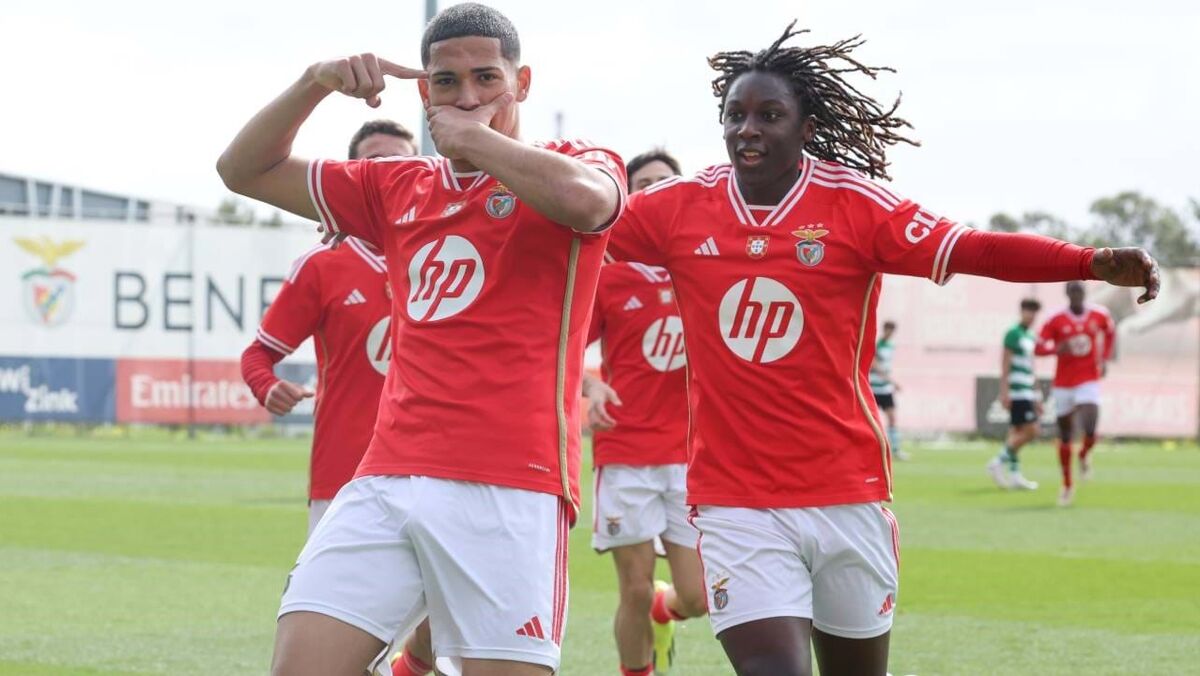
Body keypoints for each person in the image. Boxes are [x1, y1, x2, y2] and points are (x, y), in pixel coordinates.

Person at [604, 22, 1158, 676]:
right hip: (735, 501)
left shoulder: (855, 207)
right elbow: (578, 227)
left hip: (846, 492)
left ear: (807, 127)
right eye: (735, 115)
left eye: (769, 115)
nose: (747, 129)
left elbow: (975, 249)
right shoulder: (676, 207)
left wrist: (1088, 261)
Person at [216, 3, 626, 675]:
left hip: (510, 484)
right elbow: (244, 170)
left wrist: (475, 141)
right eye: (446, 82)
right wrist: (315, 82)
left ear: (522, 82)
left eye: (486, 79)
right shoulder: (396, 186)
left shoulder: (575, 161)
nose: (466, 97)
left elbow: (590, 204)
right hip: (386, 476)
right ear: (423, 91)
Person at [238, 120, 436, 676]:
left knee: (450, 619)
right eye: (374, 162)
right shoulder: (324, 265)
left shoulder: (443, 253)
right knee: (341, 633)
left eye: (400, 160)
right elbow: (258, 355)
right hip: (345, 475)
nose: (388, 170)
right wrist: (268, 387)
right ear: (354, 176)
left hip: (438, 468)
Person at [583, 149, 705, 676]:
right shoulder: (609, 273)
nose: (655, 190)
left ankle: (665, 607)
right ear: (629, 198)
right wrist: (590, 386)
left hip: (694, 456)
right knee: (631, 588)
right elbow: (562, 346)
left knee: (698, 597)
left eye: (666, 182)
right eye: (645, 184)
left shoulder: (705, 267)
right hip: (627, 448)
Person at [1035, 281, 1116, 506]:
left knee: (1090, 426)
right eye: (1073, 291)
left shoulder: (1099, 315)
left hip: (1088, 378)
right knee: (1066, 435)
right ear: (1067, 294)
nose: (1077, 295)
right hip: (1063, 383)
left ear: (1084, 293)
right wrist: (1055, 349)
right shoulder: (1055, 319)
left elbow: (1110, 331)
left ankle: (1083, 454)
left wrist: (1104, 358)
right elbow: (1038, 347)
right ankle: (1067, 484)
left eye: (1080, 291)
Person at [987, 298, 1043, 491]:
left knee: (1016, 433)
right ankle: (997, 461)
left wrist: (1037, 394)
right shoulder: (1013, 333)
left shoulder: (1031, 335)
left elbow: (1031, 367)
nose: (1031, 315)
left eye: (1034, 312)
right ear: (1021, 311)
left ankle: (1015, 475)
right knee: (1032, 431)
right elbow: (1005, 364)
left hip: (1028, 390)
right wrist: (1004, 392)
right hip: (1017, 391)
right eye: (1028, 310)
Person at [868, 320, 907, 461]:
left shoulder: (891, 346)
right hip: (874, 388)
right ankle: (871, 448)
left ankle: (895, 449)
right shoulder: (877, 345)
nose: (889, 333)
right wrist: (892, 381)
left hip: (885, 389)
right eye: (888, 330)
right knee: (871, 421)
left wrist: (889, 382)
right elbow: (873, 365)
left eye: (892, 331)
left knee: (892, 418)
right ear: (884, 330)